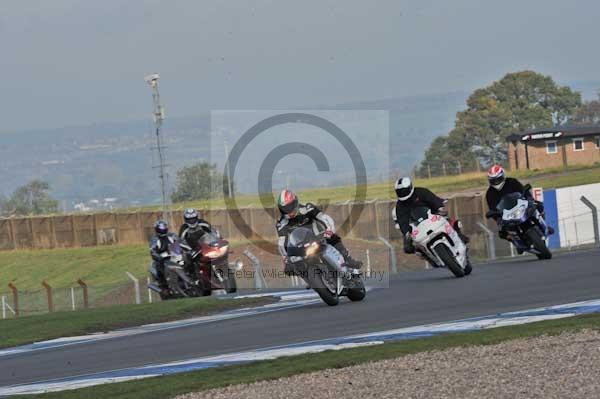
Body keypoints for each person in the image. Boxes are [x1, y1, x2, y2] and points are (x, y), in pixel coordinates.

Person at [275, 189, 362, 275]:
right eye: (285, 208)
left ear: (295, 202)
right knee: (292, 266)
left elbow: (324, 218)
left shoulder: (307, 208)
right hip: (301, 245)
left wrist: (328, 230)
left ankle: (348, 259)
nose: (289, 211)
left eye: (290, 206)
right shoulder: (281, 223)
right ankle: (310, 278)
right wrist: (286, 258)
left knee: (332, 237)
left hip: (318, 237)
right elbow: (282, 243)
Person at [392, 177, 469, 256]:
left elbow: (433, 199)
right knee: (407, 248)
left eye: (404, 191)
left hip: (431, 215)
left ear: (410, 187)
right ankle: (424, 254)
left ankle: (459, 235)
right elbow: (402, 221)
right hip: (417, 225)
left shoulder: (420, 192)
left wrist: (439, 208)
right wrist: (406, 233)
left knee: (447, 220)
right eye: (400, 191)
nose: (402, 193)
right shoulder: (400, 206)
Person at [485, 165, 553, 241]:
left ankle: (544, 225)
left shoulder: (512, 182)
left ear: (503, 175)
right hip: (506, 214)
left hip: (520, 205)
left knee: (539, 205)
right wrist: (497, 217)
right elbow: (492, 207)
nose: (496, 182)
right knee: (502, 232)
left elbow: (523, 190)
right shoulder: (489, 193)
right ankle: (515, 241)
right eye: (493, 180)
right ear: (490, 181)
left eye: (498, 179)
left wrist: (529, 198)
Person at [149, 220, 178, 291]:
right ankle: (163, 286)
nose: (163, 229)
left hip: (174, 255)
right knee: (159, 266)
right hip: (163, 257)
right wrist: (156, 255)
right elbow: (152, 249)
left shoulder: (172, 235)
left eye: (164, 227)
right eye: (161, 228)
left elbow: (180, 242)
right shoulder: (154, 239)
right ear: (156, 229)